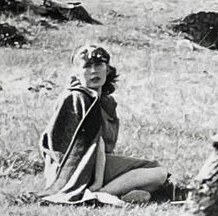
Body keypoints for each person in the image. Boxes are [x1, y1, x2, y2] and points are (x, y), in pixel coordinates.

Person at [39, 44, 170, 206]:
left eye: (99, 65)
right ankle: (100, 194)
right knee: (159, 174)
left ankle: (124, 194)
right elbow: (92, 145)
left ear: (107, 69)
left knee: (152, 168)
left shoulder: (106, 101)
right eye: (87, 66)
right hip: (75, 168)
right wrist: (97, 183)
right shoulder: (77, 98)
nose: (94, 71)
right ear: (76, 72)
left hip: (97, 162)